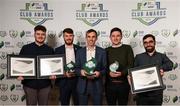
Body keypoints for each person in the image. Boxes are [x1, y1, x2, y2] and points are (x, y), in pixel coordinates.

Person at [17, 25, 55, 105]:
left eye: (42, 34)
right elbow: (19, 64)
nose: (40, 36)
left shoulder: (50, 50)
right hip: (29, 84)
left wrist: (54, 74)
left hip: (45, 85)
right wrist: (18, 74)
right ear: (34, 34)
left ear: (45, 35)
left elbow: (53, 67)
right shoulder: (26, 48)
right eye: (38, 34)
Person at [134, 34, 173, 105]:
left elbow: (170, 65)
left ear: (155, 43)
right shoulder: (138, 57)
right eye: (145, 42)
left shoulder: (162, 56)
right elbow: (133, 72)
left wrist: (159, 69)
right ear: (143, 44)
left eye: (150, 42)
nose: (148, 44)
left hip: (157, 94)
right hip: (142, 95)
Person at [75, 29, 106, 105]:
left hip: (97, 85)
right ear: (86, 38)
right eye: (89, 37)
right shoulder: (79, 52)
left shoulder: (102, 52)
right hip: (83, 85)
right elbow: (76, 69)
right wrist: (81, 72)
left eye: (93, 37)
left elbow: (105, 69)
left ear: (96, 38)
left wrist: (99, 73)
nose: (91, 39)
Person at [105, 27, 134, 105]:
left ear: (121, 36)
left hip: (124, 84)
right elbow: (104, 66)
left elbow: (131, 64)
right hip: (110, 85)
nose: (115, 38)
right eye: (113, 36)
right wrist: (109, 73)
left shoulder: (127, 48)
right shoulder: (106, 50)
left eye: (118, 36)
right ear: (110, 37)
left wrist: (122, 73)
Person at [54, 28, 81, 105]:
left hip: (77, 80)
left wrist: (76, 72)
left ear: (73, 36)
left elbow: (81, 65)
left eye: (70, 36)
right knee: (64, 103)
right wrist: (64, 73)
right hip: (63, 81)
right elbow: (56, 66)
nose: (68, 38)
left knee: (77, 103)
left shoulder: (79, 49)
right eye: (66, 36)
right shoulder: (57, 50)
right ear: (63, 37)